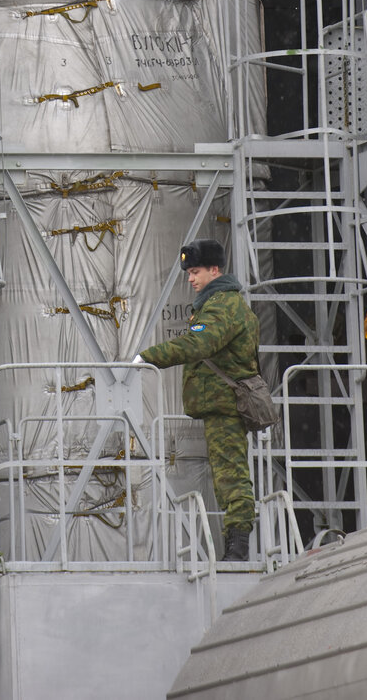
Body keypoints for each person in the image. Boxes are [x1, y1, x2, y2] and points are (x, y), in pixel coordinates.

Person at [138, 238, 259, 562]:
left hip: (225, 406)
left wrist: (146, 358)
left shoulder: (222, 305)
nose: (190, 279)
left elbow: (198, 344)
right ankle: (234, 545)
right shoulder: (221, 304)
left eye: (195, 272)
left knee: (230, 476)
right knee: (226, 475)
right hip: (221, 405)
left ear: (214, 270)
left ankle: (238, 548)